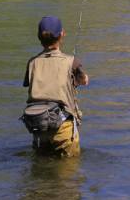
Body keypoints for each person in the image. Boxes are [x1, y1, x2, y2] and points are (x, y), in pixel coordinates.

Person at [23, 16, 89, 157]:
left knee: (41, 170)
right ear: (62, 35)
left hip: (38, 126)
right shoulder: (72, 62)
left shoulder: (32, 63)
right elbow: (84, 81)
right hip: (62, 128)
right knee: (68, 172)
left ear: (39, 37)